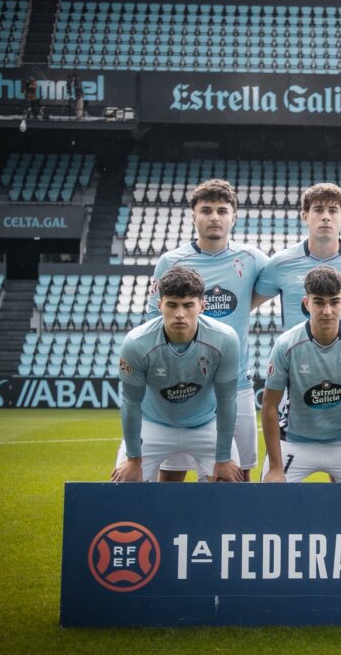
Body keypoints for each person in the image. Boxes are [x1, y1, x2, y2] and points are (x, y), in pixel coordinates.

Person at [115, 179, 268, 482]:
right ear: (193, 216)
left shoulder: (252, 258)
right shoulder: (171, 261)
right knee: (172, 473)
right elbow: (155, 318)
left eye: (222, 210)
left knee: (237, 474)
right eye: (206, 210)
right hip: (184, 382)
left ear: (233, 217)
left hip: (235, 381)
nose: (214, 217)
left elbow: (290, 273)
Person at [111, 266, 244, 483]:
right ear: (160, 305)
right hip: (153, 423)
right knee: (126, 483)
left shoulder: (225, 339)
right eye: (172, 305)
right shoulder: (136, 343)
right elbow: (131, 403)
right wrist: (133, 460)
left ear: (202, 305)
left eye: (188, 305)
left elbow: (227, 400)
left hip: (205, 423)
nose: (180, 314)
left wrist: (223, 458)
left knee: (227, 484)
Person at [260, 266, 341, 484]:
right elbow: (269, 406)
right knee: (271, 492)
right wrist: (276, 468)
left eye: (334, 302)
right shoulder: (286, 344)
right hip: (295, 440)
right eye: (319, 302)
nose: (327, 311)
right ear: (306, 303)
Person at [253, 182, 341, 328]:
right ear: (305, 216)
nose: (326, 217)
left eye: (333, 210)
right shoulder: (280, 263)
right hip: (296, 344)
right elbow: (243, 307)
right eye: (318, 210)